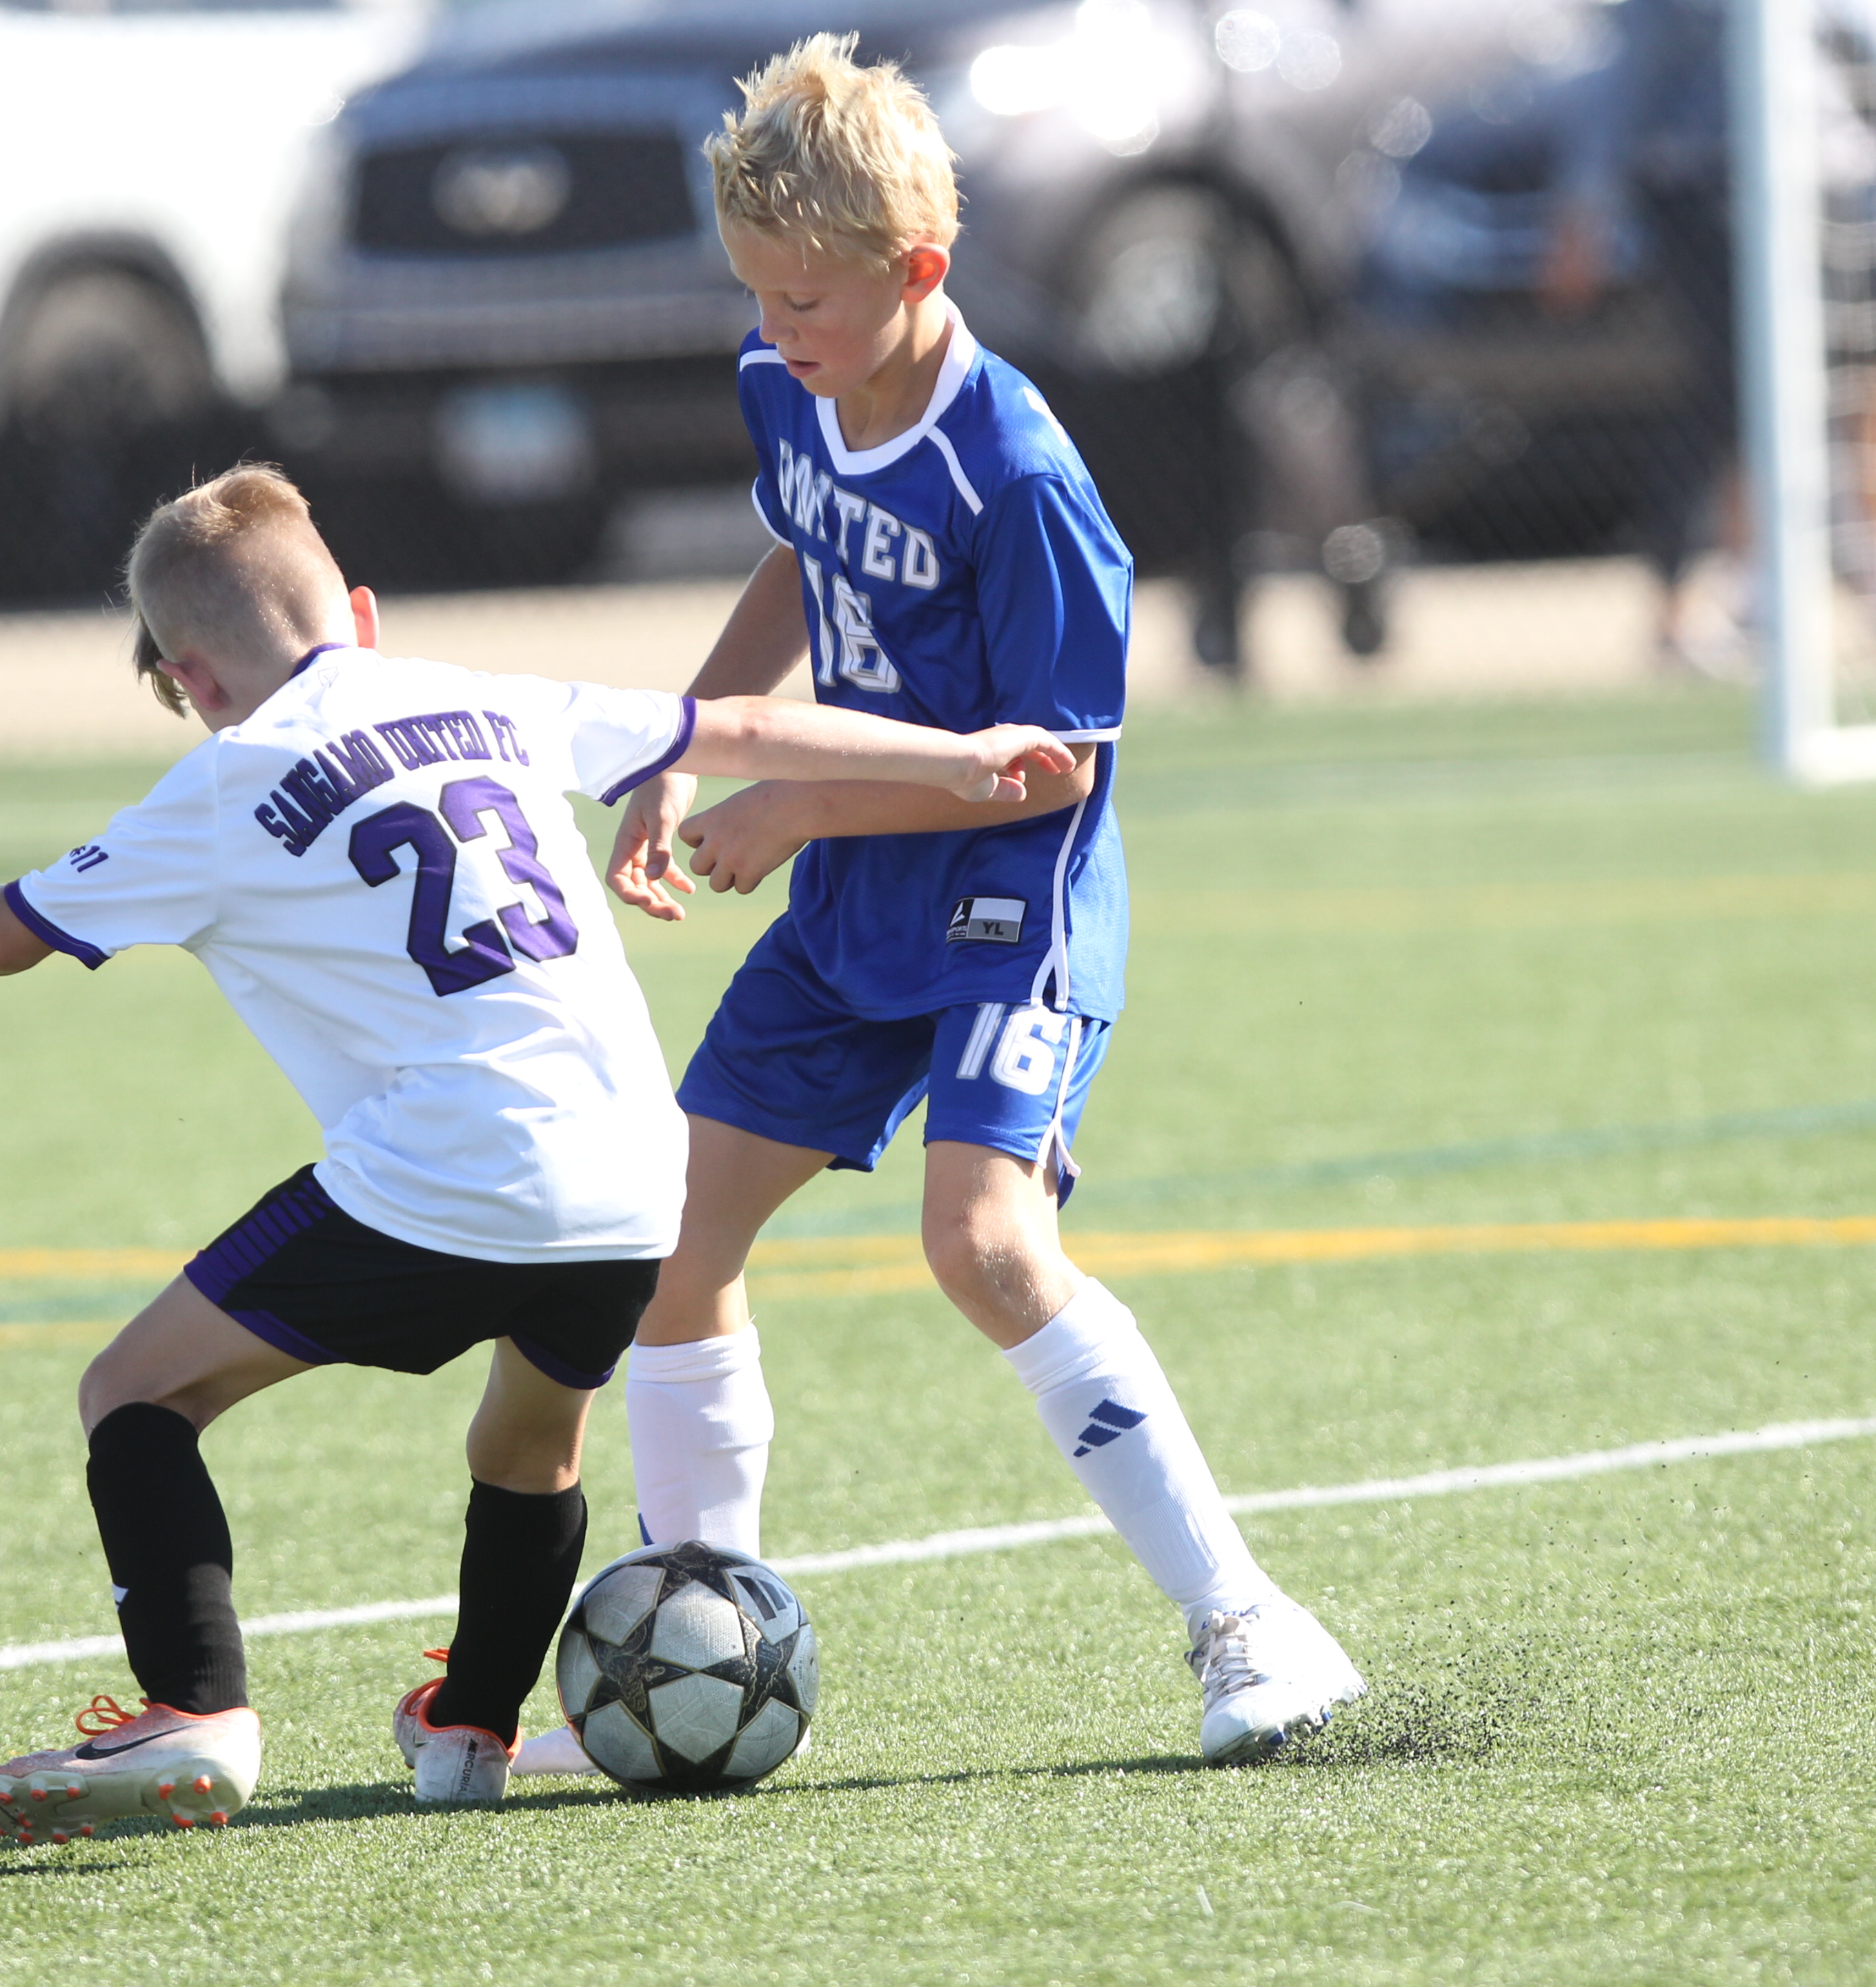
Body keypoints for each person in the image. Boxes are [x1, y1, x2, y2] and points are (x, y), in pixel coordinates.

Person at [0, 464, 1074, 1821]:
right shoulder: (488, 700)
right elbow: (748, 724)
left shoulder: (225, 779)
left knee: (134, 1395)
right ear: (360, 613)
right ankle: (469, 1729)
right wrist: (959, 756)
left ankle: (196, 1710)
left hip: (446, 1169)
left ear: (193, 680)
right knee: (530, 1450)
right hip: (637, 1177)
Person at [537, 34, 1365, 1774]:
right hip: (855, 897)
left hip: (1007, 902)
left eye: (805, 298)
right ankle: (706, 1634)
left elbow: (1047, 771)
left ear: (919, 271)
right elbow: (800, 553)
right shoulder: (792, 380)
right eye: (755, 292)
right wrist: (688, 748)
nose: (774, 329)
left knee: (983, 1246)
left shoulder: (1025, 479)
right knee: (671, 1244)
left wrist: (793, 803)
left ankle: (1248, 1623)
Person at [1540, 0, 1876, 663]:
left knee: (1875, 369)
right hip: (1712, 189)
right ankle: (1743, 589)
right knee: (1740, 391)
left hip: (1831, 187)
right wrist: (1585, 203)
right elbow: (1625, 78)